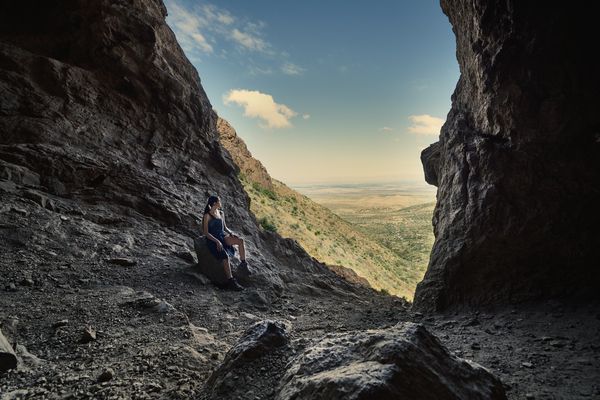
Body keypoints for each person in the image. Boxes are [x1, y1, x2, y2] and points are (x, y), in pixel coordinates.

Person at [202, 195, 249, 291]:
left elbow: (225, 228)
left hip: (222, 236)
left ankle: (243, 264)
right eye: (219, 201)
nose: (220, 202)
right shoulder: (207, 216)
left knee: (240, 241)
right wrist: (217, 241)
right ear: (214, 203)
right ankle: (231, 281)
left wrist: (231, 233)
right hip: (212, 239)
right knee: (225, 256)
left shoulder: (221, 213)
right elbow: (206, 233)